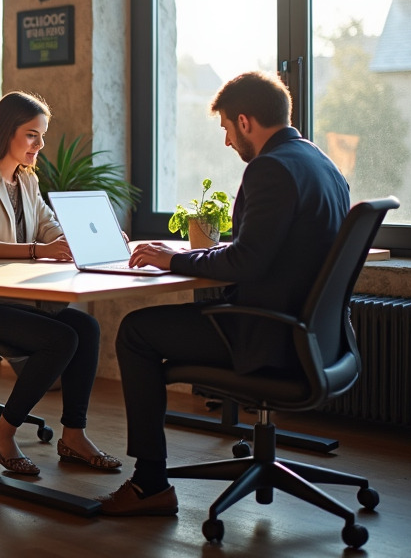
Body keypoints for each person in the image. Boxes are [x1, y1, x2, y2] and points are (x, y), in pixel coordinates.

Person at [98, 70, 351, 516]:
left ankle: (150, 484)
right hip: (317, 337)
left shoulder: (270, 168)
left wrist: (171, 259)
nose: (228, 142)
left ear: (245, 121)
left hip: (270, 337)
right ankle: (151, 478)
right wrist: (209, 254)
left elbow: (246, 263)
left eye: (227, 130)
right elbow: (268, 250)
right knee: (167, 323)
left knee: (137, 331)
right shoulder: (320, 163)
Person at [0, 91, 120, 476]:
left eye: (42, 135)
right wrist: (38, 251)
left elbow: (51, 227)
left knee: (87, 327)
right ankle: (4, 431)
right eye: (32, 134)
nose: (40, 145)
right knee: (61, 339)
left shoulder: (26, 181)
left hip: (10, 301)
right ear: (6, 132)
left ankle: (74, 435)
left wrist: (101, 237)